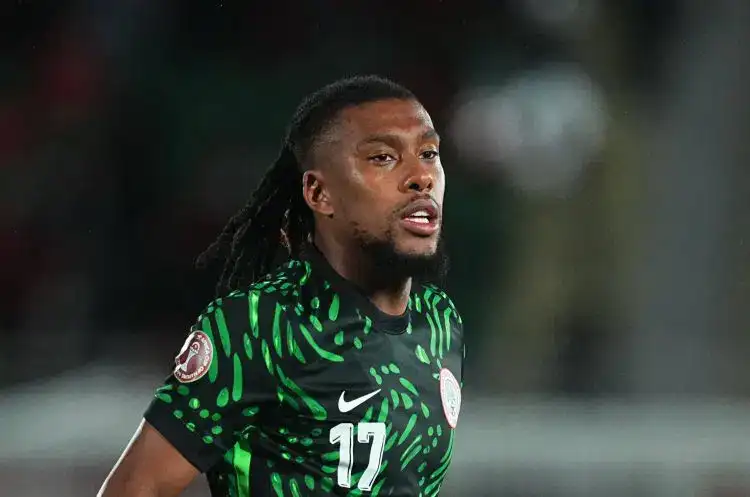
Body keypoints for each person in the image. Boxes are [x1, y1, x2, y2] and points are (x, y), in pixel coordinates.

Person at [98, 75, 465, 497]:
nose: (421, 176)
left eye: (429, 153)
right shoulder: (260, 325)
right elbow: (134, 488)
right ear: (319, 193)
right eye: (383, 157)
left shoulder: (441, 322)